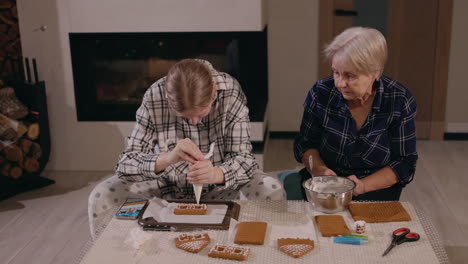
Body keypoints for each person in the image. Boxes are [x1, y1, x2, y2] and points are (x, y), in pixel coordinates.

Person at [115, 58, 285, 200]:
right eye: (184, 116)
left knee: (270, 189)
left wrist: (215, 174)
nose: (194, 122)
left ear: (213, 91)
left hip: (221, 190)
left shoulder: (230, 91)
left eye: (201, 113)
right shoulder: (154, 95)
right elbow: (125, 165)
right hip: (165, 188)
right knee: (102, 195)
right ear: (168, 99)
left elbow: (245, 160)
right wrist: (167, 158)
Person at [293, 27, 418, 201]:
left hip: (375, 187)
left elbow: (405, 163)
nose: (340, 83)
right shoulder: (321, 93)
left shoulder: (398, 99)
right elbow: (305, 144)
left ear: (375, 72)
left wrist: (363, 185)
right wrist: (320, 171)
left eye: (350, 76)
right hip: (323, 185)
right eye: (336, 72)